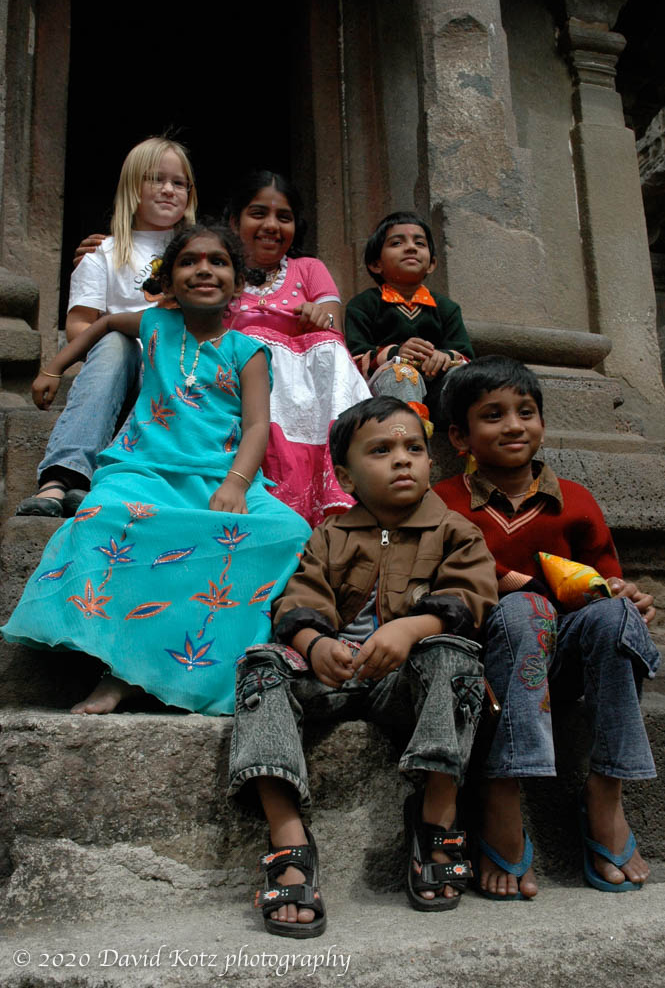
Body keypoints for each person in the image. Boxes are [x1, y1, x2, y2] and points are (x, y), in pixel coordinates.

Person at [2, 224, 310, 717]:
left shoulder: (247, 351)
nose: (203, 270)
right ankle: (122, 669)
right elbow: (104, 323)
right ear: (168, 281)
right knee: (103, 516)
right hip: (143, 469)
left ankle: (185, 670)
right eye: (189, 262)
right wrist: (53, 368)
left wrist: (236, 484)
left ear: (237, 282)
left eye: (217, 262)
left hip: (220, 477)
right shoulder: (155, 325)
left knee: (290, 531)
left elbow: (257, 426)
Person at [228, 396, 498, 937]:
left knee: (456, 658)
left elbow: (471, 597)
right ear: (347, 476)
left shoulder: (455, 530)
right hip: (333, 676)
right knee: (260, 666)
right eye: (381, 451)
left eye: (414, 449)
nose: (402, 459)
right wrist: (313, 643)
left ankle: (437, 815)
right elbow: (298, 599)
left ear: (430, 462)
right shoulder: (330, 534)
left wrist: (411, 629)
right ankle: (288, 838)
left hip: (404, 684)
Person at [433, 356, 660, 899]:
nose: (514, 426)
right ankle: (502, 791)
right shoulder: (442, 504)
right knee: (525, 609)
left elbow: (602, 579)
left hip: (567, 662)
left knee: (614, 615)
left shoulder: (575, 500)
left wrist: (623, 595)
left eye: (526, 412)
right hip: (490, 667)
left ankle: (606, 790)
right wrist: (517, 589)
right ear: (460, 436)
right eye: (493, 415)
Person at [17, 136, 198, 518]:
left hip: (176, 371)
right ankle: (63, 474)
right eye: (155, 179)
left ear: (190, 193)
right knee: (115, 340)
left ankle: (108, 482)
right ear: (132, 187)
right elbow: (80, 323)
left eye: (179, 182)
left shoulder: (200, 253)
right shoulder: (106, 253)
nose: (169, 189)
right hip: (120, 368)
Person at [225, 170, 370, 526]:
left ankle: (335, 488)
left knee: (328, 347)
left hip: (304, 390)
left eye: (284, 217)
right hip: (237, 387)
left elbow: (334, 332)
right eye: (258, 214)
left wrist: (320, 316)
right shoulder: (220, 271)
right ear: (233, 222)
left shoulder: (309, 269)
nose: (271, 226)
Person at [344, 212, 473, 429]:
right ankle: (409, 435)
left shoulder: (446, 308)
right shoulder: (363, 305)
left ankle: (467, 435)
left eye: (419, 243)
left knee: (464, 378)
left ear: (432, 264)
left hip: (437, 391)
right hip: (385, 394)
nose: (411, 248)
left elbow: (466, 355)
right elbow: (354, 359)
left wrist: (443, 357)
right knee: (402, 374)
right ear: (376, 264)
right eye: (397, 243)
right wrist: (396, 354)